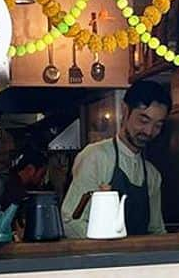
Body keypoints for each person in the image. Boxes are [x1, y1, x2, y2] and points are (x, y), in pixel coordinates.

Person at [60, 79, 171, 238]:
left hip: (140, 261)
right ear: (125, 111)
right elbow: (69, 221)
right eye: (143, 120)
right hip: (100, 260)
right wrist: (109, 244)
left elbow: (156, 230)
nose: (148, 131)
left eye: (158, 125)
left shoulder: (153, 175)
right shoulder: (96, 157)